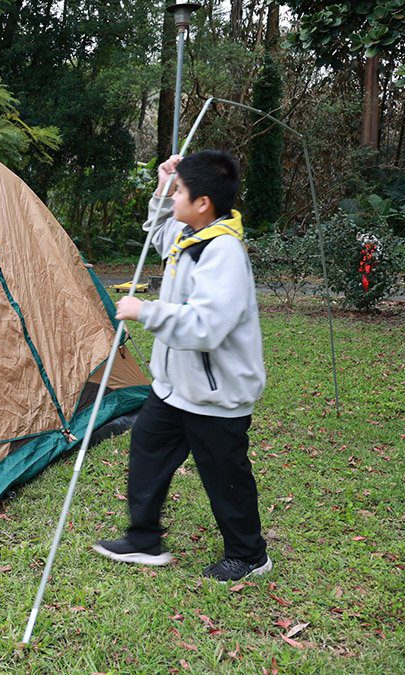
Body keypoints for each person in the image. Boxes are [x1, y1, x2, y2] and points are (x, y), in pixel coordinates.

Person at [93, 150, 270, 581]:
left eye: (180, 192)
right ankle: (143, 538)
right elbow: (158, 232)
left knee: (225, 478)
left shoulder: (223, 251)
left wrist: (144, 311)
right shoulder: (190, 234)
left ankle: (248, 556)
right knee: (148, 451)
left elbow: (206, 327)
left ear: (203, 202)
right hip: (174, 388)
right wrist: (161, 184)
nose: (174, 197)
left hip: (216, 395)